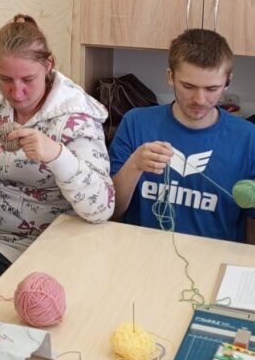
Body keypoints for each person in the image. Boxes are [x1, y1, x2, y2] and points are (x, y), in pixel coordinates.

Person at [0, 14, 115, 306]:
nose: (16, 92)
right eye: (5, 79)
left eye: (28, 79)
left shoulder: (76, 117)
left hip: (49, 249)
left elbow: (101, 208)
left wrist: (57, 155)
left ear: (48, 64)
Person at [109, 29, 255, 241]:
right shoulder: (136, 123)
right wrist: (135, 165)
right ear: (171, 76)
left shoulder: (248, 138)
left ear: (227, 82)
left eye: (212, 88)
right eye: (188, 86)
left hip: (214, 257)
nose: (200, 99)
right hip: (141, 253)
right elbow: (112, 211)